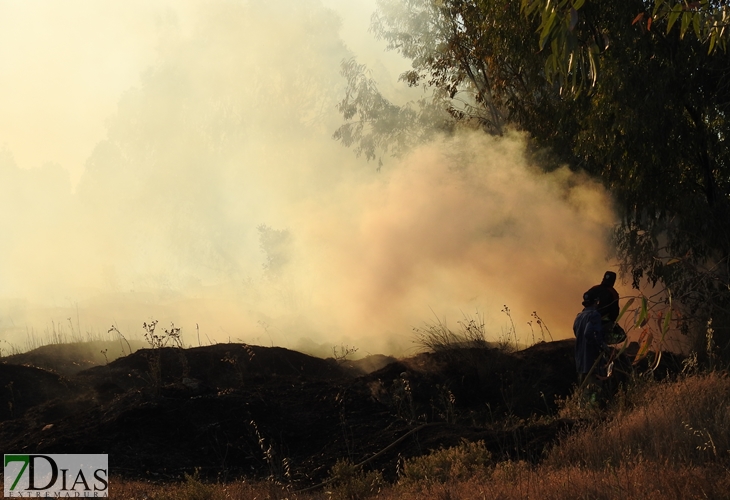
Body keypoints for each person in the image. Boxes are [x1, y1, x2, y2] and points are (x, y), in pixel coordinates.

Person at [573, 289, 610, 402]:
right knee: (594, 391)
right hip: (592, 361)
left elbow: (576, 332)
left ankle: (581, 414)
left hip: (580, 361)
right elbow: (589, 333)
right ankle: (593, 414)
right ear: (596, 302)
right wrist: (602, 346)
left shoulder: (579, 317)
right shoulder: (594, 315)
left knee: (584, 390)